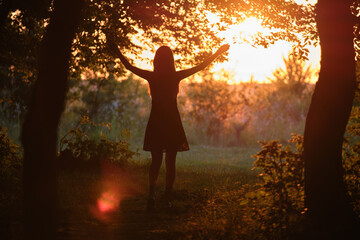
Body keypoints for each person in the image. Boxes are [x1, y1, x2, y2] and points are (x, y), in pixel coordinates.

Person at [107, 40, 229, 210]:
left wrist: (117, 50)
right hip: (172, 122)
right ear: (171, 61)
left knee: (155, 161)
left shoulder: (152, 76)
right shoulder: (175, 76)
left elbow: (129, 67)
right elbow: (201, 66)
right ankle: (167, 198)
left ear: (156, 61)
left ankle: (151, 195)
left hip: (156, 122)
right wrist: (218, 52)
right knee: (171, 162)